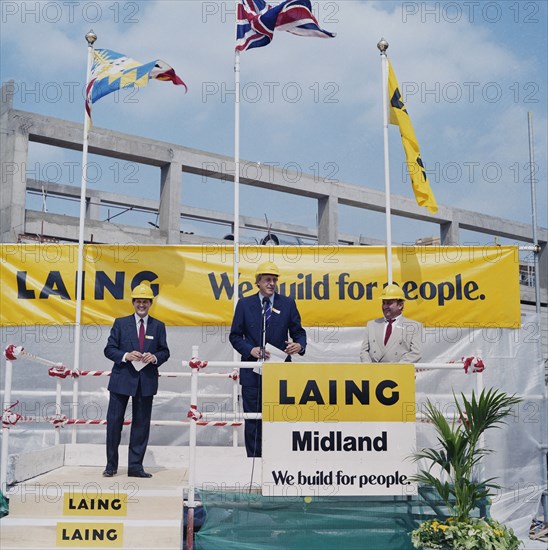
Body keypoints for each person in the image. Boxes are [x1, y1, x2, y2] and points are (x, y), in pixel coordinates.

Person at [229, 261, 307, 457]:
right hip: (252, 374)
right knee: (253, 420)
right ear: (258, 282)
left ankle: (278, 462)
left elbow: (299, 333)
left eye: (274, 280)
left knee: (279, 418)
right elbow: (235, 336)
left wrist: (299, 345)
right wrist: (250, 350)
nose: (271, 283)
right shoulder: (245, 304)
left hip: (280, 373)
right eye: (267, 280)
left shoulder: (287, 304)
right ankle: (253, 462)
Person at [103, 283, 170, 478]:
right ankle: (111, 466)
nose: (142, 305)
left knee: (141, 425)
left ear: (150, 303)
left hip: (145, 382)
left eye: (145, 302)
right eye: (138, 301)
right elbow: (109, 349)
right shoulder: (120, 323)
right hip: (121, 380)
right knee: (114, 423)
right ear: (133, 302)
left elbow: (165, 351)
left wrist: (155, 357)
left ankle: (135, 467)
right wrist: (125, 355)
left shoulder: (159, 326)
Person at [360, 283, 423, 363]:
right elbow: (364, 351)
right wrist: (369, 368)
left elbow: (416, 353)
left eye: (389, 303)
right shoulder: (372, 325)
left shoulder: (413, 326)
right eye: (384, 302)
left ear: (400, 305)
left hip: (398, 373)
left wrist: (394, 369)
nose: (385, 306)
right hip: (374, 374)